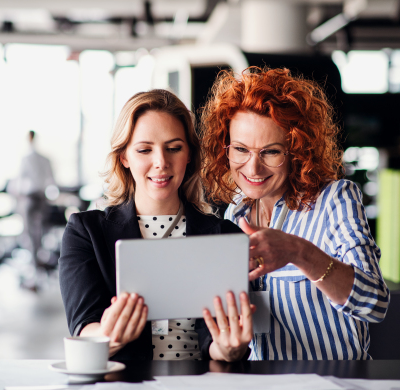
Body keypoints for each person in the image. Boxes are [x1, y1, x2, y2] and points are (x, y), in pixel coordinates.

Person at [200, 67, 389, 360]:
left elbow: (374, 303)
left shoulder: (334, 200)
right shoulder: (234, 214)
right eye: (240, 149)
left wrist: (299, 253)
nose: (252, 168)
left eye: (270, 152)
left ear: (297, 151)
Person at [59, 90, 254, 362]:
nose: (161, 162)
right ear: (124, 157)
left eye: (174, 148)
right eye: (144, 150)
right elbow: (83, 326)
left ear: (189, 155)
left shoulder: (225, 236)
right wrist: (108, 335)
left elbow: (217, 338)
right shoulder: (86, 233)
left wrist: (227, 349)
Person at [18, 130, 56, 286]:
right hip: (41, 197)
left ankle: (35, 262)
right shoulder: (44, 159)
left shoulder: (26, 159)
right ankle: (37, 261)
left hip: (30, 198)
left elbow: (21, 180)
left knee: (30, 230)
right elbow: (51, 180)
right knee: (39, 230)